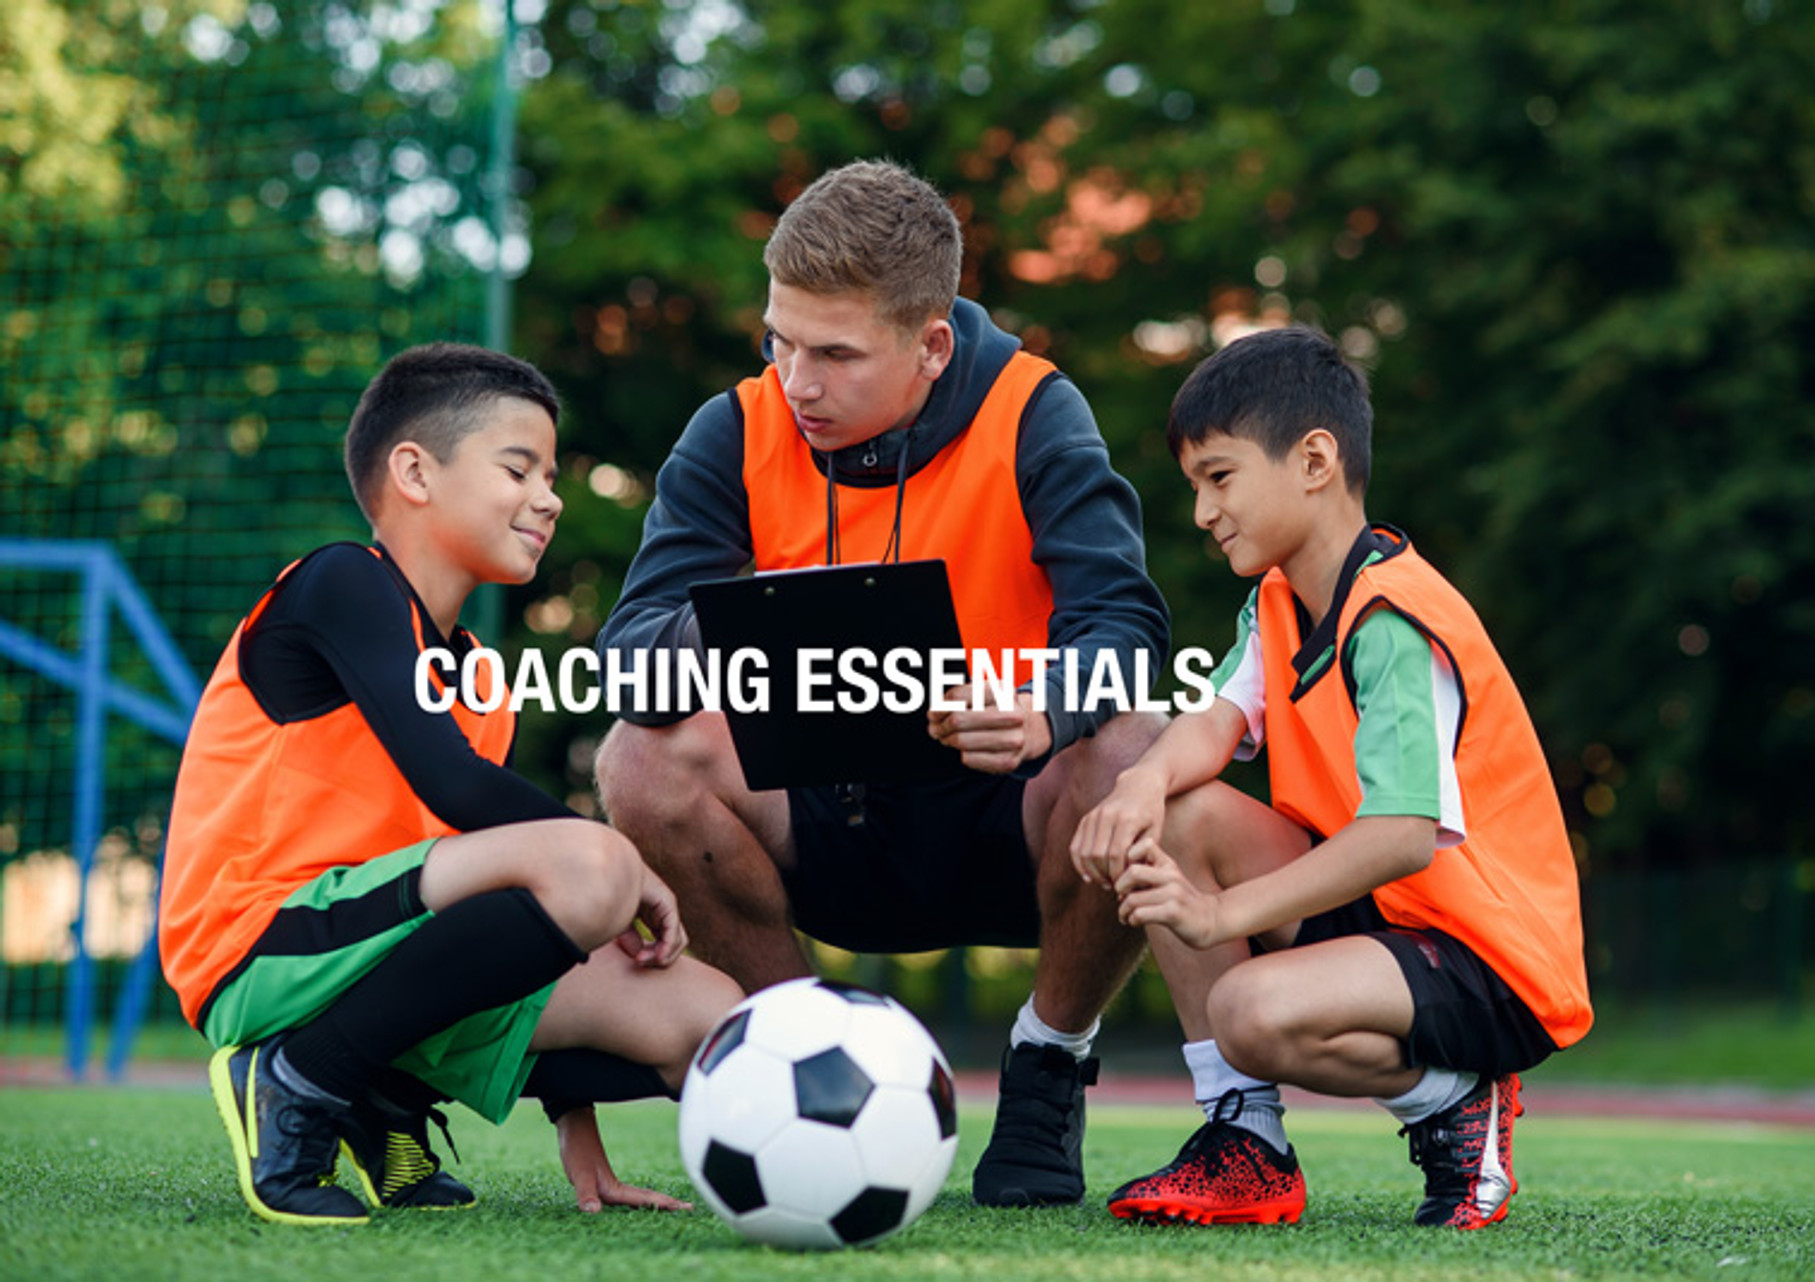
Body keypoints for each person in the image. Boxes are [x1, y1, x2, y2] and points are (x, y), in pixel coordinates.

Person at [594, 159, 1172, 1207]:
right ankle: (808, 1059)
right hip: (820, 819)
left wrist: (1046, 705)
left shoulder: (1035, 410)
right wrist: (753, 624)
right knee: (638, 759)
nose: (796, 381)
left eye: (834, 353)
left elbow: (1126, 630)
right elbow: (625, 654)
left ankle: (1050, 1062)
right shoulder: (733, 426)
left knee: (1135, 743)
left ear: (931, 344)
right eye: (779, 339)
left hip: (1008, 812)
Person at [159, 343, 741, 1227]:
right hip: (259, 943)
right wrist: (617, 861)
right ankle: (297, 1080)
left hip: (386, 947)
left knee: (710, 1015)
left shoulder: (479, 676)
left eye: (551, 475)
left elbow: (510, 908)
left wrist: (581, 1140)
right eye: (520, 468)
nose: (548, 496)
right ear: (414, 473)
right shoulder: (343, 582)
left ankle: (378, 1089)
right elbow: (460, 792)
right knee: (593, 869)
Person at [1072, 326, 1591, 1229]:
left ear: (1314, 460)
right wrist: (1136, 788)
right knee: (1180, 814)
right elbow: (1216, 720)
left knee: (1248, 1009)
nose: (1201, 512)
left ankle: (1456, 1106)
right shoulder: (1281, 598)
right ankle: (1247, 1143)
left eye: (1219, 478)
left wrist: (1224, 916)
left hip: (1489, 958)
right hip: (1391, 921)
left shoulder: (1393, 616)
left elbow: (1399, 834)